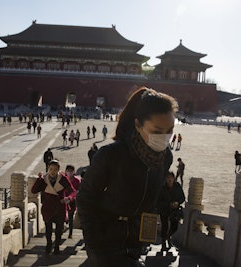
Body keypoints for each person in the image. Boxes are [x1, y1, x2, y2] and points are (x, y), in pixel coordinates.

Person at [77, 87, 177, 266]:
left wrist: (146, 231)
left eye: (170, 130)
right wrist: (94, 242)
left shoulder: (165, 158)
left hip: (136, 242)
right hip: (105, 242)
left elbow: (152, 199)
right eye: (156, 131)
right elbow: (85, 198)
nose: (164, 137)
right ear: (138, 125)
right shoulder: (110, 155)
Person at [31, 160, 75, 255]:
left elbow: (73, 191)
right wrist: (39, 179)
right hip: (48, 208)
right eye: (50, 169)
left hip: (60, 207)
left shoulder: (63, 178)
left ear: (58, 169)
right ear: (48, 169)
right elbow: (34, 190)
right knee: (48, 229)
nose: (52, 171)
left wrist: (68, 198)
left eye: (55, 169)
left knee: (59, 230)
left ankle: (57, 247)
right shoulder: (44, 179)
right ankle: (48, 245)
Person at [157, 171, 185, 251]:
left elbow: (182, 198)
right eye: (168, 178)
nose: (169, 180)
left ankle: (168, 237)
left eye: (171, 178)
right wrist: (168, 204)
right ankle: (163, 243)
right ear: (165, 179)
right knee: (164, 226)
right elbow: (158, 200)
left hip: (174, 211)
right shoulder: (162, 188)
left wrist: (177, 202)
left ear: (173, 178)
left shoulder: (177, 186)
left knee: (174, 226)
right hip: (164, 210)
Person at [64, 165, 82, 238]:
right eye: (68, 171)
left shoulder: (77, 181)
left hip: (73, 201)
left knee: (71, 216)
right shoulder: (63, 179)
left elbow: (78, 191)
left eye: (71, 171)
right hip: (64, 200)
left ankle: (70, 233)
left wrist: (71, 198)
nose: (70, 173)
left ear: (74, 172)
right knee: (63, 216)